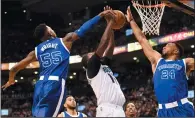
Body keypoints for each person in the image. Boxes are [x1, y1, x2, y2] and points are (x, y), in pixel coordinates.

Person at [1, 8, 115, 117]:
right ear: (49, 32)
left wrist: (11, 80)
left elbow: (14, 69)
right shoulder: (65, 41)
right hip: (54, 85)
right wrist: (100, 15)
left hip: (39, 86)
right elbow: (83, 29)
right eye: (50, 28)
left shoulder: (36, 51)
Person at [125, 6, 194, 117]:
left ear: (176, 51)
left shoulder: (185, 63)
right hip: (162, 111)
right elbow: (142, 40)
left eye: (168, 45)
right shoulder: (157, 61)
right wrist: (132, 21)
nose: (164, 47)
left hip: (181, 109)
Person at [81, 6, 126, 117]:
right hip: (107, 109)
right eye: (91, 54)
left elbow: (111, 46)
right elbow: (104, 42)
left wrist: (108, 24)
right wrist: (111, 21)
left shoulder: (103, 65)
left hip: (119, 109)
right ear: (88, 61)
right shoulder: (92, 67)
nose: (93, 53)